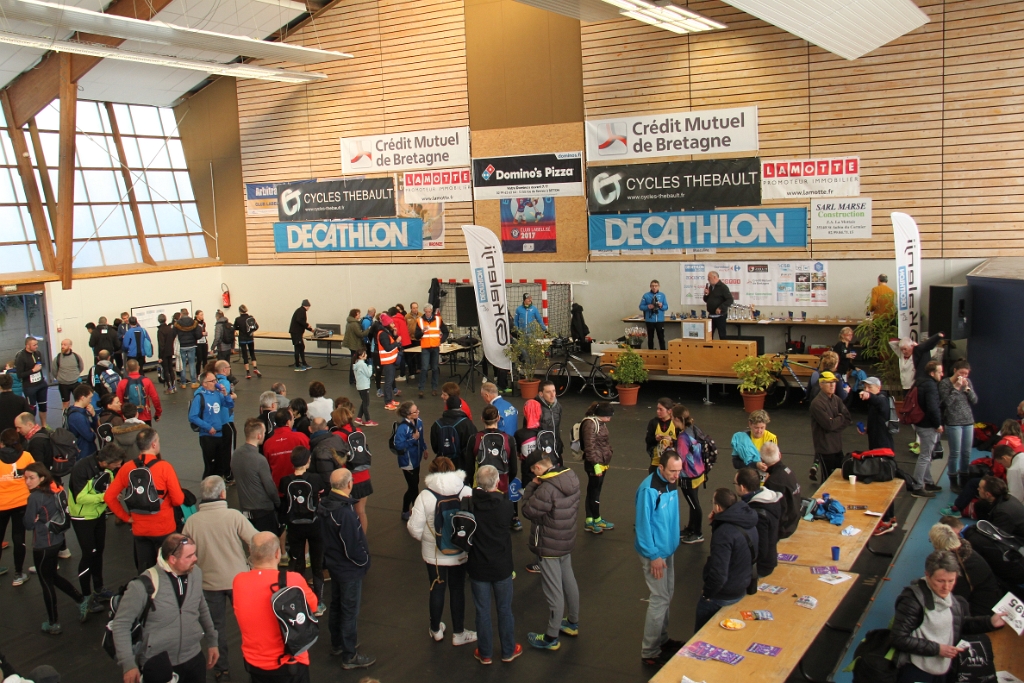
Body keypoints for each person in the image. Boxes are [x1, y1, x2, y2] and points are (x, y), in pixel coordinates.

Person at [111, 534, 220, 683]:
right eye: (189, 556)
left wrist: (212, 640)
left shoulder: (195, 573)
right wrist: (128, 664)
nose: (195, 559)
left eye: (194, 553)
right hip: (158, 665)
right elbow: (121, 624)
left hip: (193, 657)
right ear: (172, 559)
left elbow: (201, 607)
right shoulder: (142, 586)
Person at [182, 476, 257, 682]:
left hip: (208, 584)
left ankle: (221, 669)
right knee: (250, 624)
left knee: (215, 629)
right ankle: (255, 664)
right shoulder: (233, 516)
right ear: (223, 493)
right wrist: (250, 563)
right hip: (238, 581)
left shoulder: (192, 522)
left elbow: (185, 554)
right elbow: (256, 540)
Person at [890, 550, 1006, 683]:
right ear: (927, 575)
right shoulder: (912, 601)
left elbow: (957, 624)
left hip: (942, 668)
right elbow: (898, 638)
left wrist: (989, 622)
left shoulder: (952, 600)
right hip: (915, 670)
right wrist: (938, 649)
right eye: (940, 581)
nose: (946, 587)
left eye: (951, 580)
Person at [407, 456, 477, 646]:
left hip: (434, 555)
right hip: (460, 552)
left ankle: (436, 629)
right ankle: (459, 633)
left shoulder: (425, 496)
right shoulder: (466, 491)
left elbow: (414, 528)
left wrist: (429, 540)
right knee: (457, 590)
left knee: (436, 588)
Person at [230, 532, 316, 682]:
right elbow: (312, 607)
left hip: (254, 665)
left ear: (251, 552)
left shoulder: (239, 581)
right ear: (277, 554)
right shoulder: (293, 580)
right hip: (289, 665)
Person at [522, 449, 581, 651]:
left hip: (548, 545)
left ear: (538, 467)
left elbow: (527, 510)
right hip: (566, 539)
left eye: (533, 471)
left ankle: (551, 637)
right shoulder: (571, 477)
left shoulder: (546, 489)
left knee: (553, 590)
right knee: (569, 580)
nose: (533, 474)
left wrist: (532, 485)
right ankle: (572, 622)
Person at [317, 468, 375, 670]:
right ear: (349, 484)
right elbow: (352, 546)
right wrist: (364, 561)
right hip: (349, 569)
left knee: (336, 605)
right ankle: (349, 655)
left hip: (334, 565)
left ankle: (338, 644)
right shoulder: (344, 513)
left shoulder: (326, 505)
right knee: (349, 611)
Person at [103, 428, 185, 571]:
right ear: (154, 444)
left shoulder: (127, 468)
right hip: (163, 527)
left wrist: (125, 517)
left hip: (139, 528)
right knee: (167, 570)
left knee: (146, 570)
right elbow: (178, 500)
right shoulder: (164, 467)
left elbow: (109, 497)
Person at [22, 462, 90, 633]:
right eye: (25, 478)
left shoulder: (35, 497)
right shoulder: (55, 489)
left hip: (43, 544)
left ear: (41, 478)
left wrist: (35, 519)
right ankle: (80, 599)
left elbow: (28, 523)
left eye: (31, 478)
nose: (27, 481)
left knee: (46, 582)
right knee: (52, 575)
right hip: (57, 539)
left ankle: (53, 622)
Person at [467, 464, 521, 665]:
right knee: (504, 609)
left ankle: (485, 653)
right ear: (497, 482)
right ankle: (508, 650)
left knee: (482, 611)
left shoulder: (470, 504)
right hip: (501, 565)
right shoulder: (505, 505)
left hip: (478, 565)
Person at [636, 451, 684, 667]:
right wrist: (654, 555)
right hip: (655, 553)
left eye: (679, 471)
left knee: (667, 594)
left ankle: (662, 640)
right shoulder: (649, 489)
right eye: (673, 471)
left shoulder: (671, 483)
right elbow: (643, 525)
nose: (676, 475)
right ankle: (650, 651)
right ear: (661, 468)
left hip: (667, 549)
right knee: (659, 598)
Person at [68, 441, 122, 610]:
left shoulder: (107, 468)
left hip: (98, 514)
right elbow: (80, 498)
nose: (118, 467)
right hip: (82, 517)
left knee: (98, 552)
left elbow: (110, 486)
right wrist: (106, 497)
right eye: (116, 464)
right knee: (88, 555)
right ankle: (86, 597)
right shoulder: (81, 469)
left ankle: (98, 589)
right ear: (105, 462)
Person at [694, 488, 758, 632]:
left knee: (702, 633)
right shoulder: (748, 523)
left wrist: (707, 593)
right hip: (741, 586)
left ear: (717, 507)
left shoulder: (724, 534)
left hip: (722, 594)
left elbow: (719, 573)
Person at [278, 448, 327, 609]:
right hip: (314, 525)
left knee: (298, 563)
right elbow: (322, 494)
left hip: (294, 527)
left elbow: (284, 501)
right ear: (307, 461)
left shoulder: (285, 481)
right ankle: (318, 602)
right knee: (317, 565)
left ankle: (299, 601)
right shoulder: (315, 478)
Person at [928, 523, 1002, 617]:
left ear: (937, 546)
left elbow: (957, 599)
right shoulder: (966, 551)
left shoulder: (957, 568)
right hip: (992, 596)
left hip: (983, 610)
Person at [232, 418, 282, 536]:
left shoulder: (236, 454)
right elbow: (269, 487)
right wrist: (278, 503)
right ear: (259, 436)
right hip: (263, 510)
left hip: (245, 509)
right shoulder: (259, 459)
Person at [734, 467, 782, 577]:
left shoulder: (757, 514)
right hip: (770, 558)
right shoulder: (771, 500)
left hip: (760, 566)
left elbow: (761, 549)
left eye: (735, 483)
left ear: (742, 487)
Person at [939, 360, 978, 494]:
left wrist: (968, 390)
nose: (964, 376)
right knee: (955, 453)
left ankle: (964, 479)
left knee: (966, 453)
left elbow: (974, 400)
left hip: (968, 421)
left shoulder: (968, 382)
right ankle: (953, 481)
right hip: (953, 421)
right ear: (955, 370)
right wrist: (956, 388)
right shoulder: (945, 383)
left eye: (966, 374)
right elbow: (947, 403)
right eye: (961, 373)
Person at [0, 428, 33, 582]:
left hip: (1, 505)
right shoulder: (26, 456)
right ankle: (18, 575)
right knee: (19, 539)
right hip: (22, 503)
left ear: (2, 443)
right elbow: (35, 475)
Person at [332, 405, 372, 533]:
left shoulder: (336, 436)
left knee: (347, 513)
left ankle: (351, 537)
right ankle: (362, 538)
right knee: (361, 512)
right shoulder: (358, 431)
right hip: (364, 475)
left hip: (348, 479)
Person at [189, 371, 234, 480]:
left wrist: (225, 394)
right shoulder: (200, 397)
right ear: (204, 384)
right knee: (210, 466)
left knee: (220, 464)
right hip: (207, 436)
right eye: (212, 381)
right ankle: (206, 486)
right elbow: (192, 416)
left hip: (219, 434)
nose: (215, 383)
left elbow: (229, 405)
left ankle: (217, 485)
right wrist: (208, 427)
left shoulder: (218, 394)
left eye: (215, 380)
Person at [910, 360, 945, 497]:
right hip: (927, 425)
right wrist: (938, 424)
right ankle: (917, 486)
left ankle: (928, 481)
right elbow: (932, 407)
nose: (942, 374)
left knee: (927, 454)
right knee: (925, 456)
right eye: (939, 372)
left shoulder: (919, 382)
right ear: (932, 373)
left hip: (919, 423)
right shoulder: (931, 386)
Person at [809, 371, 852, 482]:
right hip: (825, 448)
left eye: (834, 382)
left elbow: (847, 418)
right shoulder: (817, 403)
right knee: (828, 480)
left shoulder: (836, 399)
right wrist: (840, 418)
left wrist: (835, 425)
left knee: (840, 477)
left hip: (837, 446)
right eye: (828, 382)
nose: (832, 385)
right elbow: (829, 425)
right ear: (821, 384)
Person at [674, 404, 707, 545]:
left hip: (688, 475)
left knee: (694, 504)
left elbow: (679, 458)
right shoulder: (693, 429)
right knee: (693, 502)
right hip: (698, 472)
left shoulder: (683, 437)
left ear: (677, 419)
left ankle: (698, 533)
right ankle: (691, 528)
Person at [580, 402, 614, 534]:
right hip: (595, 464)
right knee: (593, 492)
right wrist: (595, 465)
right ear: (602, 414)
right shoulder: (590, 424)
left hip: (602, 462)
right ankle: (594, 520)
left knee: (595, 491)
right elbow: (589, 447)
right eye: (608, 416)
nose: (610, 418)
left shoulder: (600, 423)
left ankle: (592, 519)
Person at [393, 401, 428, 521]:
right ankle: (407, 511)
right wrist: (413, 439)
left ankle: (414, 509)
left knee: (415, 484)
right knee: (413, 487)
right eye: (415, 411)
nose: (418, 412)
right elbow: (398, 445)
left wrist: (424, 448)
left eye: (417, 409)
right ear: (408, 415)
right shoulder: (403, 428)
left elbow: (421, 438)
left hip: (416, 458)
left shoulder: (419, 421)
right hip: (407, 461)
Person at [263, 408, 310, 495]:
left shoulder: (268, 443)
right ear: (288, 422)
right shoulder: (301, 438)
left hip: (278, 489)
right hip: (301, 487)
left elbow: (267, 466)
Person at [431, 394, 477, 474]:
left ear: (447, 406)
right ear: (460, 406)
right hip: (462, 463)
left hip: (442, 464)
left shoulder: (437, 424)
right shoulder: (466, 423)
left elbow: (435, 446)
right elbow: (473, 443)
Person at [15, 337, 48, 428]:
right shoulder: (21, 357)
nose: (36, 346)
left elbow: (39, 367)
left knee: (43, 406)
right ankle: (32, 427)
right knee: (32, 409)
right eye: (34, 345)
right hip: (30, 387)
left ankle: (44, 426)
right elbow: (20, 375)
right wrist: (33, 370)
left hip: (41, 384)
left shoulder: (38, 353)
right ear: (27, 346)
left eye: (37, 344)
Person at [116, 359, 162, 425]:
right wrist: (158, 413)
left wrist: (121, 415)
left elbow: (119, 401)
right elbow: (155, 398)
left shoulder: (122, 383)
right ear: (138, 367)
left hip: (128, 417)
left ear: (127, 369)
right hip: (145, 415)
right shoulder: (147, 381)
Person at [979, 475, 1024, 541]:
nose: (978, 489)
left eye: (980, 488)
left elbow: (997, 538)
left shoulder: (1002, 512)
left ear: (988, 494)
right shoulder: (1008, 498)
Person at [858, 376, 895, 451]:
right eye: (865, 387)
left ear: (879, 387)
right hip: (875, 442)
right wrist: (868, 429)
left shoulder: (882, 399)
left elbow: (878, 401)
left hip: (883, 445)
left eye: (870, 387)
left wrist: (869, 396)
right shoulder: (873, 403)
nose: (866, 390)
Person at [416, 303, 443, 398]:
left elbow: (445, 331)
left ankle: (434, 388)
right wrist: (422, 331)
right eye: (426, 311)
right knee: (424, 368)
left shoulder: (438, 319)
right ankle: (421, 389)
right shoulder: (420, 321)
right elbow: (416, 336)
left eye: (429, 311)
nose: (428, 313)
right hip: (425, 347)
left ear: (432, 311)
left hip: (435, 347)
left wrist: (441, 340)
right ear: (424, 311)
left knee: (435, 368)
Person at [644, 397, 676, 474]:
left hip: (672, 461)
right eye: (657, 409)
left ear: (669, 411)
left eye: (661, 409)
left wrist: (672, 440)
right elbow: (648, 440)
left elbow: (681, 442)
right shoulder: (653, 423)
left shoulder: (675, 423)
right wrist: (655, 439)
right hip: (656, 461)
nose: (658, 411)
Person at [533, 380, 563, 460]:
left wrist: (559, 445)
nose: (552, 395)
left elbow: (557, 428)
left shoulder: (558, 406)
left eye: (554, 391)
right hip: (542, 450)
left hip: (556, 447)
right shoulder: (534, 407)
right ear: (541, 394)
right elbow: (529, 431)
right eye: (548, 392)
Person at [64, 385, 97, 458]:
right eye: (89, 398)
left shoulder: (79, 412)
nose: (90, 400)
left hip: (86, 451)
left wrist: (94, 415)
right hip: (84, 453)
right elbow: (90, 437)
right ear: (82, 398)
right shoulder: (77, 417)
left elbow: (94, 427)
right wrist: (92, 432)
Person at [52, 339, 84, 410]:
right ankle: (65, 416)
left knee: (79, 401)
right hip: (63, 384)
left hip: (75, 383)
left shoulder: (76, 357)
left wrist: (74, 375)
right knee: (65, 403)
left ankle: (79, 415)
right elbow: (54, 371)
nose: (62, 346)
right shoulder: (58, 358)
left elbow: (81, 368)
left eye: (65, 345)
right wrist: (60, 378)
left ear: (70, 346)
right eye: (61, 344)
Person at [232, 305, 262, 380]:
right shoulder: (251, 318)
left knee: (245, 355)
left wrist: (239, 328)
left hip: (242, 339)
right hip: (250, 338)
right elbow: (256, 326)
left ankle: (248, 372)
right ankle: (255, 368)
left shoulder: (238, 319)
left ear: (239, 311)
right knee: (252, 353)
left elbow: (234, 328)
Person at [173, 309, 200, 389]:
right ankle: (193, 382)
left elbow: (173, 334)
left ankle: (183, 383)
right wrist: (194, 338)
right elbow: (198, 334)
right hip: (191, 345)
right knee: (192, 363)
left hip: (182, 346)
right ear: (188, 314)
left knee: (183, 364)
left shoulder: (177, 323)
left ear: (181, 314)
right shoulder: (193, 322)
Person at [703, 271, 733, 340]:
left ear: (714, 277)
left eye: (709, 277)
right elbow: (706, 300)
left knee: (722, 335)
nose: (708, 279)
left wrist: (720, 308)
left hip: (720, 316)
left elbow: (730, 300)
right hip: (711, 316)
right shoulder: (710, 287)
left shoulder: (723, 287)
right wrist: (706, 294)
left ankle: (723, 347)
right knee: (708, 335)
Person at [639, 280, 668, 350]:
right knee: (650, 338)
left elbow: (666, 307)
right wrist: (648, 307)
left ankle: (663, 352)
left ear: (659, 286)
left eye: (656, 286)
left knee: (661, 338)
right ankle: (650, 352)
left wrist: (661, 306)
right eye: (652, 286)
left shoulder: (662, 295)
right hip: (650, 320)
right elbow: (641, 307)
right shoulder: (646, 295)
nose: (654, 287)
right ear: (650, 286)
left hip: (660, 320)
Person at [343, 309, 365, 386]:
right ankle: (353, 379)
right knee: (354, 362)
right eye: (358, 314)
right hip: (355, 345)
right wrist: (368, 330)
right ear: (355, 315)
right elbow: (360, 334)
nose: (360, 315)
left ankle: (352, 379)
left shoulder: (349, 322)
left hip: (352, 344)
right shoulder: (354, 324)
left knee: (353, 361)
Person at [155, 314, 176, 394]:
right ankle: (174, 386)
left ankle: (169, 387)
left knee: (166, 370)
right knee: (171, 369)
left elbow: (161, 345)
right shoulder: (170, 329)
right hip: (170, 351)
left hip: (164, 353)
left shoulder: (160, 330)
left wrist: (160, 356)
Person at [289, 299, 313, 371]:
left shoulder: (300, 311)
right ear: (307, 306)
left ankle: (303, 363)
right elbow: (299, 320)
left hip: (297, 333)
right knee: (298, 348)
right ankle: (297, 365)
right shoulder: (301, 311)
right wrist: (307, 325)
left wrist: (311, 330)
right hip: (296, 333)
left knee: (301, 347)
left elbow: (302, 323)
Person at [194, 310, 209, 380]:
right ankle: (198, 374)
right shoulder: (194, 323)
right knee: (199, 359)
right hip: (198, 343)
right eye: (201, 315)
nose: (202, 316)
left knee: (205, 358)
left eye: (202, 315)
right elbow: (195, 334)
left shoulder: (203, 323)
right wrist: (201, 333)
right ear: (197, 316)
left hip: (204, 342)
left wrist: (205, 333)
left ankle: (205, 373)